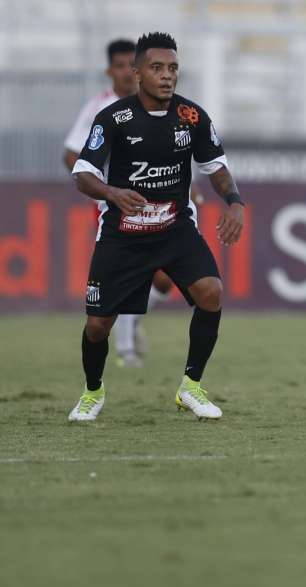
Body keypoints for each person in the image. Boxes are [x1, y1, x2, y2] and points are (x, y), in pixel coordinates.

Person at [68, 32, 244, 421]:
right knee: (98, 326)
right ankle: (92, 391)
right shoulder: (114, 118)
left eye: (173, 68)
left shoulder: (191, 117)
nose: (167, 76)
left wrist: (234, 202)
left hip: (174, 228)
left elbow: (215, 167)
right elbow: (82, 173)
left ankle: (191, 387)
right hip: (122, 234)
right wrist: (113, 193)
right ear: (137, 73)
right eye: (157, 68)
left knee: (211, 293)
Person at [62, 38, 202, 369]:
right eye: (121, 65)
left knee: (165, 280)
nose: (127, 72)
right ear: (110, 70)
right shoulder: (101, 107)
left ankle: (130, 323)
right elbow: (71, 154)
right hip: (118, 206)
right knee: (129, 276)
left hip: (161, 202)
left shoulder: (157, 105)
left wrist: (190, 189)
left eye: (131, 65)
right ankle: (125, 347)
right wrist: (106, 188)